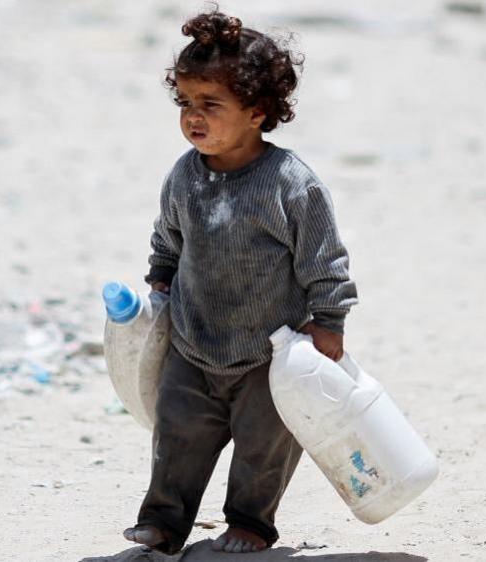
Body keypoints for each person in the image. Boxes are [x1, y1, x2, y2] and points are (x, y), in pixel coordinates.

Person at [122, 8, 359, 555]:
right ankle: (163, 521)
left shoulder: (290, 184)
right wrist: (159, 280)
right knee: (177, 436)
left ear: (257, 112)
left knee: (263, 446)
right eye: (185, 103)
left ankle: (250, 523)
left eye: (211, 105)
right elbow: (169, 238)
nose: (193, 118)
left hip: (270, 353)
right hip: (193, 340)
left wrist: (329, 321)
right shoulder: (185, 174)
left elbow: (325, 259)